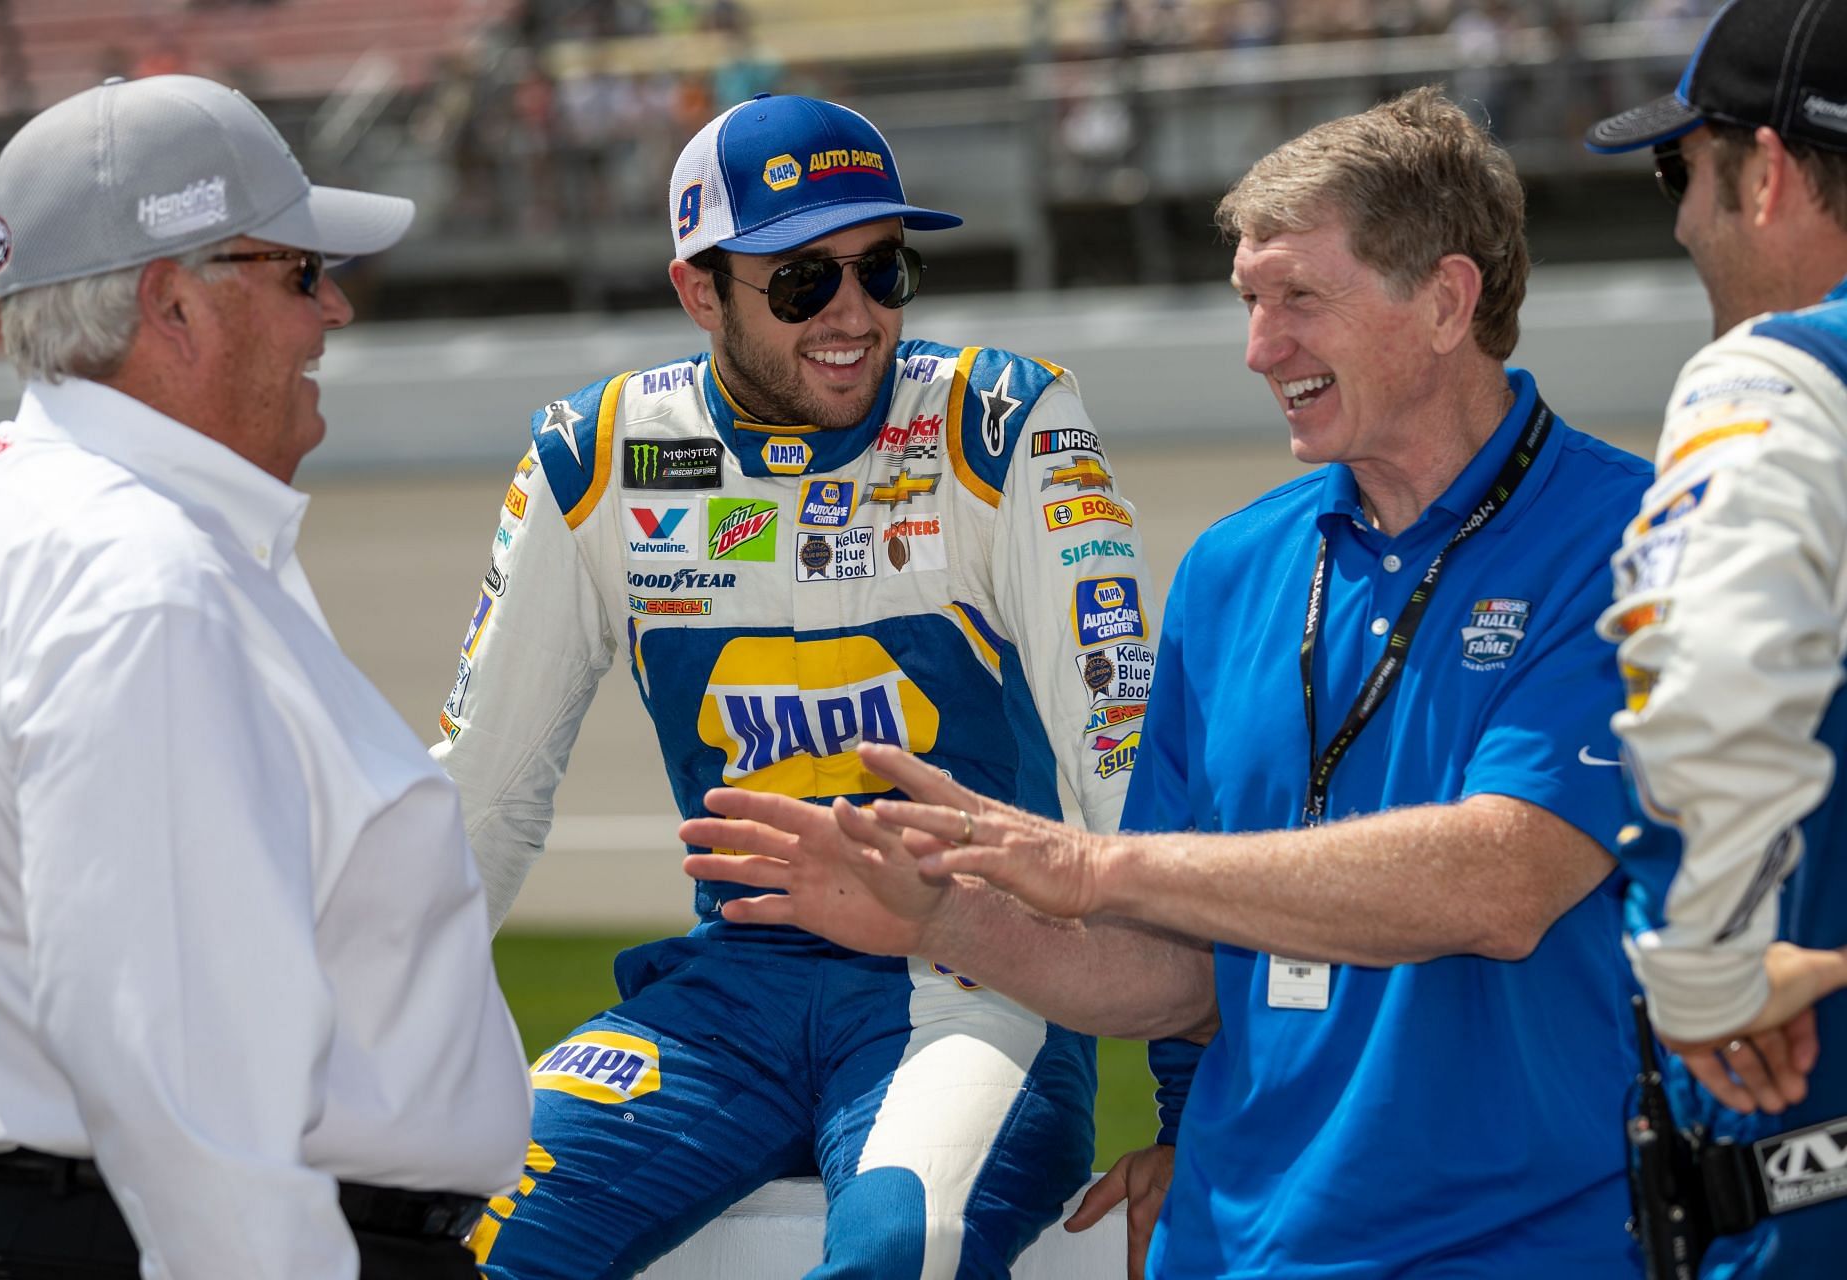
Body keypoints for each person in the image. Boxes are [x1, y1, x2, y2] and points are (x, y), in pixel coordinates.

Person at [680, 87, 1655, 1278]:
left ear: (1447, 300)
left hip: (1523, 1250)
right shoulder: (1233, 569)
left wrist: (1092, 866)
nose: (1260, 348)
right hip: (1238, 1247)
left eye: (1300, 298)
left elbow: (1505, 879)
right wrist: (947, 916)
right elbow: (1178, 974)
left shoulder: (1629, 541)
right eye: (1250, 301)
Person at [436, 94, 1148, 1279]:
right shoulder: (596, 452)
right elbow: (483, 796)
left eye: (883, 267)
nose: (856, 314)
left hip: (971, 979)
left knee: (892, 1253)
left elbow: (1121, 758)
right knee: (455, 1240)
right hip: (727, 996)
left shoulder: (1001, 422)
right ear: (698, 290)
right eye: (805, 280)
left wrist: (1191, 1103)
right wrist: (360, 1059)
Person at [0, 75, 531, 1280]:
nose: (337, 312)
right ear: (174, 306)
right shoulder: (141, 580)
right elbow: (185, 1076)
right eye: (302, 273)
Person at [1587, 0, 1847, 1272]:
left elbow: (1710, 681)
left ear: (1771, 174)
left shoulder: (1776, 377)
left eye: (1679, 169)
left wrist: (1709, 976)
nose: (1681, 216)